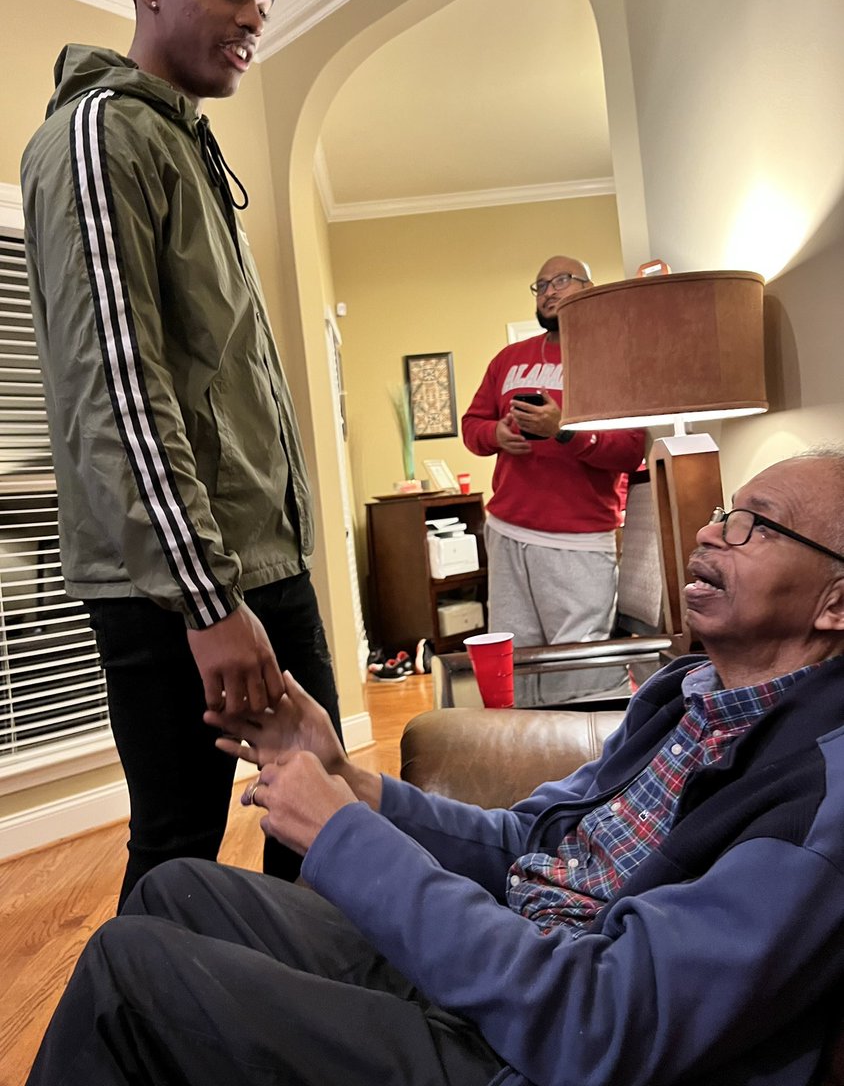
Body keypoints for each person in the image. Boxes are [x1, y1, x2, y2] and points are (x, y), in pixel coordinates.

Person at [26, 449, 844, 1086]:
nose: (709, 531)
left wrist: (344, 836)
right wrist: (352, 783)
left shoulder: (818, 803)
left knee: (128, 977)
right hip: (499, 971)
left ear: (834, 601)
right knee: (179, 890)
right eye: (724, 512)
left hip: (532, 1054)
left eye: (756, 525)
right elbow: (531, 834)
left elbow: (597, 1022)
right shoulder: (683, 693)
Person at [19, 0, 342, 910]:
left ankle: (300, 1030)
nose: (253, 14)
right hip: (181, 589)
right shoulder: (100, 134)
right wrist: (209, 602)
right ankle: (145, 1044)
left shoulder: (182, 144)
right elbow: (118, 387)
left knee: (320, 809)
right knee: (179, 851)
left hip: (258, 561)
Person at [462, 255, 645, 704]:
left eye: (562, 280)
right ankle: (524, 761)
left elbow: (629, 450)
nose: (549, 290)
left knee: (580, 668)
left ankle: (584, 765)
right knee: (514, 660)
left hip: (578, 538)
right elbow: (472, 426)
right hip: (506, 529)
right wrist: (498, 434)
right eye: (541, 284)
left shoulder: (614, 359)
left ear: (589, 286)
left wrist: (562, 431)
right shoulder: (508, 359)